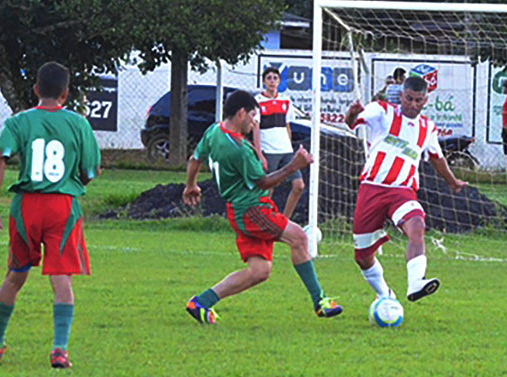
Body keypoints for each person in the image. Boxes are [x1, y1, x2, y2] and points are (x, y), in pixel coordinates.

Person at [183, 90, 343, 322]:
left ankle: (201, 302)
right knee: (299, 238)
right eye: (252, 115)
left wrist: (190, 185)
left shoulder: (214, 131)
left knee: (259, 271)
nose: (254, 121)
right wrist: (293, 166)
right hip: (251, 209)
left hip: (238, 209)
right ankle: (320, 301)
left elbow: (195, 159)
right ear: (241, 113)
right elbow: (263, 181)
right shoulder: (240, 149)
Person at [0, 61, 101, 368]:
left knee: (16, 275)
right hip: (62, 206)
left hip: (26, 207)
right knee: (61, 279)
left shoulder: (19, 122)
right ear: (66, 93)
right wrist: (74, 181)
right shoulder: (79, 124)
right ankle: (59, 349)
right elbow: (90, 171)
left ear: (36, 89)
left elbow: (0, 158)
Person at [344, 75, 468, 303]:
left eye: (418, 100)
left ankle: (415, 283)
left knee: (417, 225)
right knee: (362, 256)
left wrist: (452, 181)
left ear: (425, 100)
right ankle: (385, 295)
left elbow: (437, 158)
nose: (413, 105)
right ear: (401, 96)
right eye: (409, 99)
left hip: (403, 191)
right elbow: (353, 122)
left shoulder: (428, 128)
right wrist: (352, 113)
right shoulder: (381, 111)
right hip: (372, 189)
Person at [253, 67, 304, 220]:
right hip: (268, 150)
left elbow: (287, 126)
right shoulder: (258, 101)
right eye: (269, 78)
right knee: (268, 188)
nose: (272, 81)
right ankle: (263, 220)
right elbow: (255, 128)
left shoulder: (286, 100)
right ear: (263, 81)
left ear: (279, 82)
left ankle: (284, 221)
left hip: (285, 150)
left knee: (299, 185)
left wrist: (290, 146)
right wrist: (259, 153)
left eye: (275, 78)